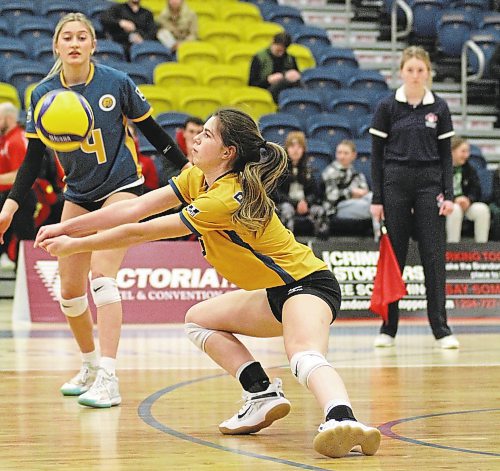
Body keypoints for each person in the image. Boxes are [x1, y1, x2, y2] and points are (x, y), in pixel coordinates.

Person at [34, 108, 381, 459]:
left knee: (303, 354)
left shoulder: (224, 198)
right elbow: (132, 210)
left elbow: (140, 231)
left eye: (208, 135)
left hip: (308, 285)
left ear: (228, 152)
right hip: (276, 290)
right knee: (198, 319)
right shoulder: (198, 178)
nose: (196, 138)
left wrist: (76, 244)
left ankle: (341, 418)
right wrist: (64, 227)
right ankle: (260, 394)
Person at [0, 13, 188, 408]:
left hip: (122, 188)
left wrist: (187, 168)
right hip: (79, 194)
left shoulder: (115, 82)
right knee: (69, 292)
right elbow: (33, 160)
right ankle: (87, 365)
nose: (74, 43)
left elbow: (153, 132)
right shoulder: (43, 94)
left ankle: (109, 376)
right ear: (56, 46)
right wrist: (11, 204)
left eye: (81, 37)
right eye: (66, 37)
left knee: (102, 276)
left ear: (92, 45)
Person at [369, 46, 460, 350]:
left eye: (421, 70)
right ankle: (388, 328)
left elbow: (447, 157)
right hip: (395, 185)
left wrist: (449, 194)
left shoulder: (440, 107)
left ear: (428, 72)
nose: (416, 75)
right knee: (394, 259)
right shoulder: (387, 107)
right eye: (410, 69)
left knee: (433, 258)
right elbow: (376, 157)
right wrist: (378, 197)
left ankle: (441, 329)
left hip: (428, 187)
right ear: (401, 72)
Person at [0, 102, 36, 269]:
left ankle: (27, 277)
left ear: (8, 118)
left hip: (20, 196)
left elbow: (18, 176)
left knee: (24, 240)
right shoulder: (6, 139)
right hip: (8, 195)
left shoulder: (16, 140)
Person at [273, 131, 329, 238]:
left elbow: (315, 193)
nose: (295, 150)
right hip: (286, 204)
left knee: (320, 211)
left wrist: (306, 202)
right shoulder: (279, 169)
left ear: (303, 150)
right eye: (292, 146)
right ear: (287, 148)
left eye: (299, 147)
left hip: (305, 205)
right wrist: (295, 203)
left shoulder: (308, 169)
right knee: (286, 210)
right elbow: (276, 193)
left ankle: (321, 244)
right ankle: (286, 242)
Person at [322, 140, 379, 238]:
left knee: (374, 199)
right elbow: (331, 196)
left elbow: (364, 190)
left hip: (356, 204)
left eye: (345, 153)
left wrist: (359, 194)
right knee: (373, 207)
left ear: (354, 155)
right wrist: (351, 192)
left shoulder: (356, 172)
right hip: (336, 208)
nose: (342, 156)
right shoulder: (330, 172)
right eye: (339, 153)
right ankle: (379, 237)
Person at [446, 137, 491, 243]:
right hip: (446, 205)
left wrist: (469, 200)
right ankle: (453, 249)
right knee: (455, 209)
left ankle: (482, 248)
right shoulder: (441, 168)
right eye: (463, 151)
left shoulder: (469, 168)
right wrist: (453, 199)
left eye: (468, 151)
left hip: (465, 204)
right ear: (452, 151)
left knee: (482, 210)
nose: (467, 155)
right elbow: (436, 190)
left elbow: (476, 189)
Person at [248, 32, 301, 103]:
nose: (281, 52)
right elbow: (252, 84)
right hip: (266, 89)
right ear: (273, 43)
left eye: (283, 48)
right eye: (279, 47)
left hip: (288, 88)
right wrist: (268, 80)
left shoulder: (290, 58)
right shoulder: (259, 58)